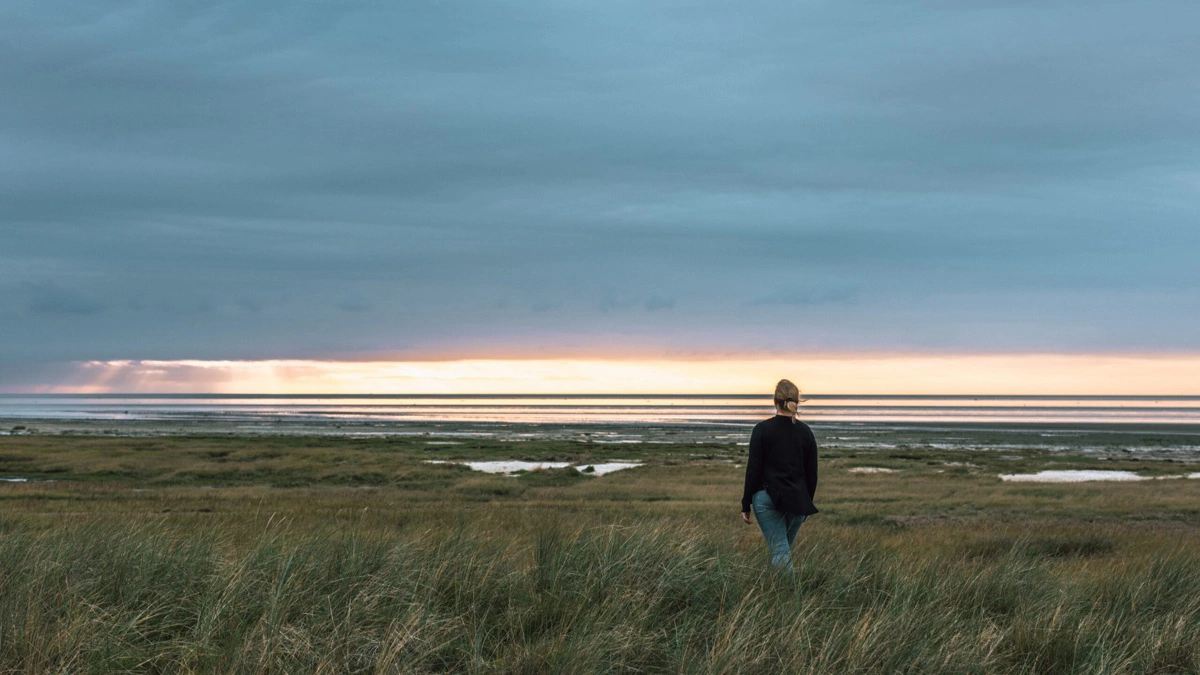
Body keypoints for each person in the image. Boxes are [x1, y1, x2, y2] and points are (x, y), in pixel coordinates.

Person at [740, 379, 819, 571]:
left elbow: (753, 470)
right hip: (798, 501)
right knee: (782, 551)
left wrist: (745, 504)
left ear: (775, 400)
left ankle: (790, 597)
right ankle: (779, 594)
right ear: (796, 401)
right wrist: (806, 503)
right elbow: (812, 473)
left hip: (766, 499)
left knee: (780, 552)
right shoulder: (806, 432)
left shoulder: (762, 430)